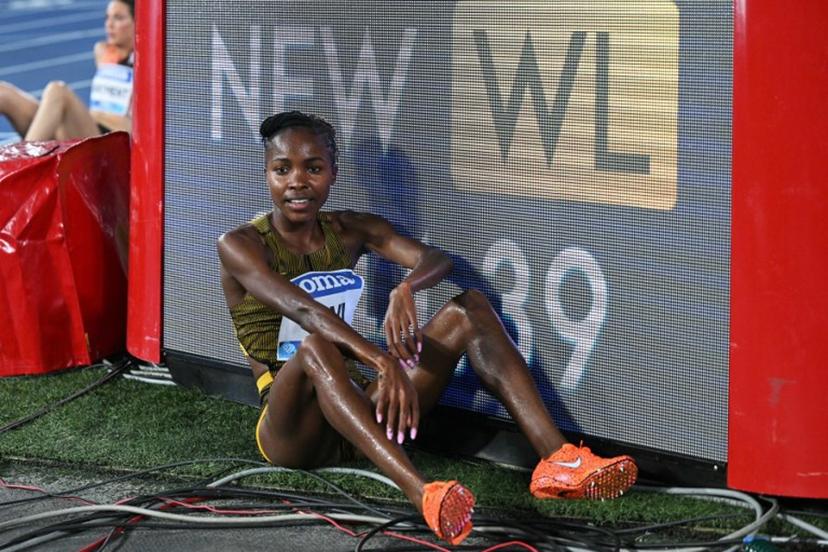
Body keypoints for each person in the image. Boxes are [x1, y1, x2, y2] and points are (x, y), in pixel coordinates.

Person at [217, 111, 638, 545]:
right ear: (266, 174)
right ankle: (423, 494)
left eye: (314, 168)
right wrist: (382, 360)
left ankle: (558, 461)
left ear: (333, 174)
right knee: (315, 347)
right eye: (282, 169)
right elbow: (306, 314)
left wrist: (407, 288)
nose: (298, 181)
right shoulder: (240, 245)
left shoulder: (350, 229)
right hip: (293, 431)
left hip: (357, 407)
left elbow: (436, 259)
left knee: (469, 309)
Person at [0, 0, 135, 142]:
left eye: (118, 18)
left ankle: (25, 160)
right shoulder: (102, 52)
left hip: (109, 139)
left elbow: (134, 126)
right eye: (107, 17)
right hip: (80, 127)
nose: (109, 24)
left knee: (58, 90)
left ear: (137, 23)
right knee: (3, 93)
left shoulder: (146, 66)